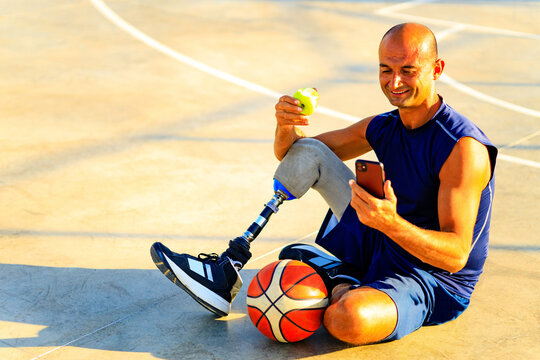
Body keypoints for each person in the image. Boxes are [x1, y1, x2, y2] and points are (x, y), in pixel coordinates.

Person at [150, 22, 497, 344]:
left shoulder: (462, 148)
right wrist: (285, 125)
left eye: (408, 70)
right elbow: (297, 156)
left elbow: (455, 255)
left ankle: (340, 277)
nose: (394, 82)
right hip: (383, 235)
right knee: (312, 151)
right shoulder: (384, 125)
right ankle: (229, 266)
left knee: (346, 320)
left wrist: (390, 225)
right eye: (385, 70)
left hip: (430, 277)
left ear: (436, 69)